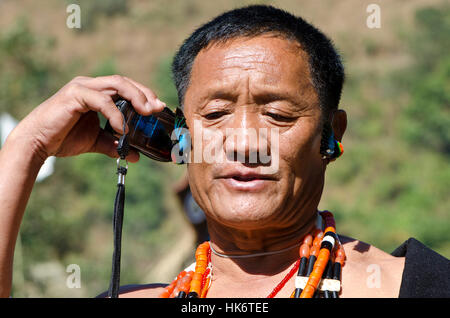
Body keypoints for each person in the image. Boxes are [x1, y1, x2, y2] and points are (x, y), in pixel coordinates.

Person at [0, 5, 448, 298]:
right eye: (215, 114)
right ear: (180, 137)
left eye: (277, 115)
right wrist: (28, 146)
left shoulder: (419, 286)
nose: (245, 142)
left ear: (331, 135)